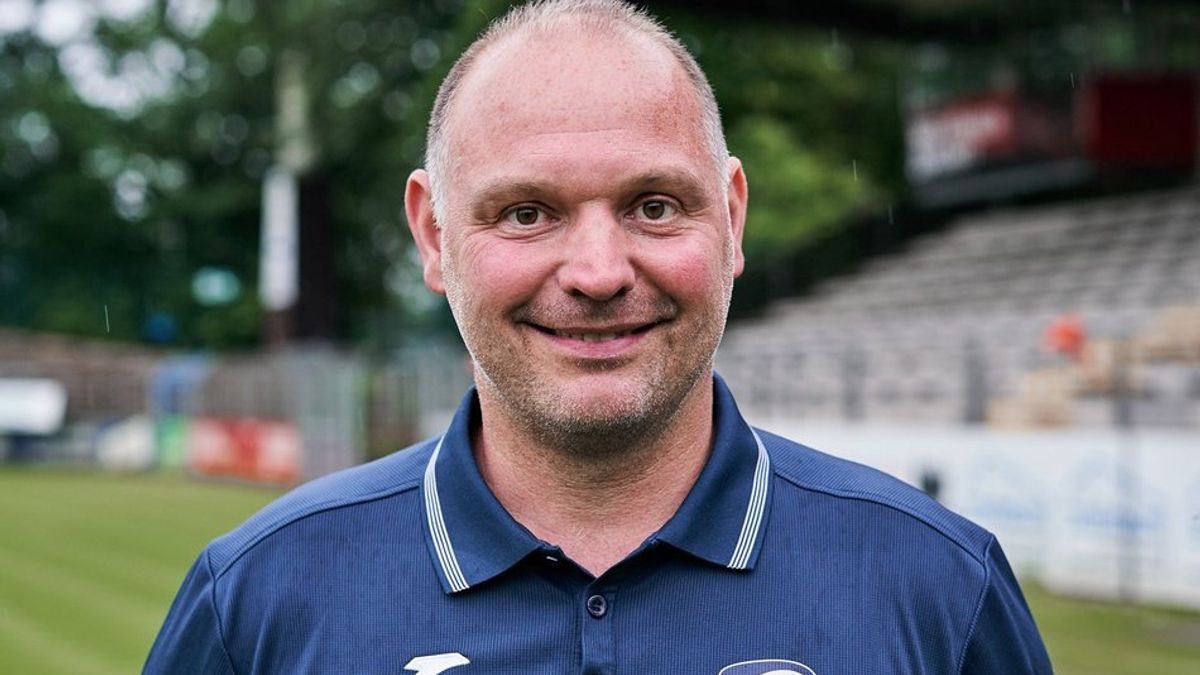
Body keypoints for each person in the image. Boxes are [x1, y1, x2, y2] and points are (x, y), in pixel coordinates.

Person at [144, 1, 1053, 673]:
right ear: (433, 236)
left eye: (653, 206)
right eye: (527, 212)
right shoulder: (257, 600)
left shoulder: (940, 586)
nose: (598, 272)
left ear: (732, 219)